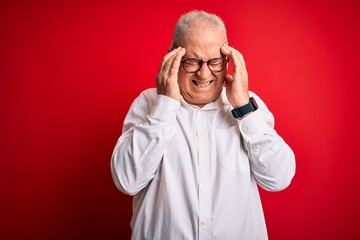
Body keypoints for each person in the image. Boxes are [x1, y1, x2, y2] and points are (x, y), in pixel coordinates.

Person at [111, 10, 295, 240]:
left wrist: (244, 110)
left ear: (227, 61)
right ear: (172, 58)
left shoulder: (248, 106)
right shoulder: (148, 104)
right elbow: (127, 181)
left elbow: (279, 179)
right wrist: (165, 105)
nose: (204, 72)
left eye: (215, 61)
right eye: (192, 61)